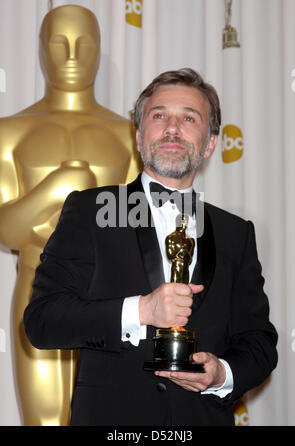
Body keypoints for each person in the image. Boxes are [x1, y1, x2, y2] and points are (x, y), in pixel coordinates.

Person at [24, 68, 278, 426]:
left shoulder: (236, 233)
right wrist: (141, 310)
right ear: (140, 136)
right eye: (159, 116)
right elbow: (43, 321)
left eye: (189, 118)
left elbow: (260, 343)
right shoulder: (90, 211)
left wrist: (221, 374)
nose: (172, 128)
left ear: (210, 143)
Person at [0, 5, 139, 426]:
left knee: (110, 418)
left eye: (84, 43)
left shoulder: (127, 135)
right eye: (59, 44)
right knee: (44, 421)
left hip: (112, 295)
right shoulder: (10, 131)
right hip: (36, 285)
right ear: (41, 51)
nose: (72, 55)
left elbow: (138, 225)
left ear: (100, 50)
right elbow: (7, 230)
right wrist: (54, 189)